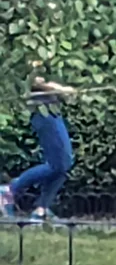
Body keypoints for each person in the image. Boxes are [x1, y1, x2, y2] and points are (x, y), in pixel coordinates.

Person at [1, 77, 77, 224]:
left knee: (64, 164)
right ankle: (10, 190)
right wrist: (60, 89)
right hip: (43, 114)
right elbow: (33, 81)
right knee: (59, 164)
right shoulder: (31, 58)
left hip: (51, 112)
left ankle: (41, 208)